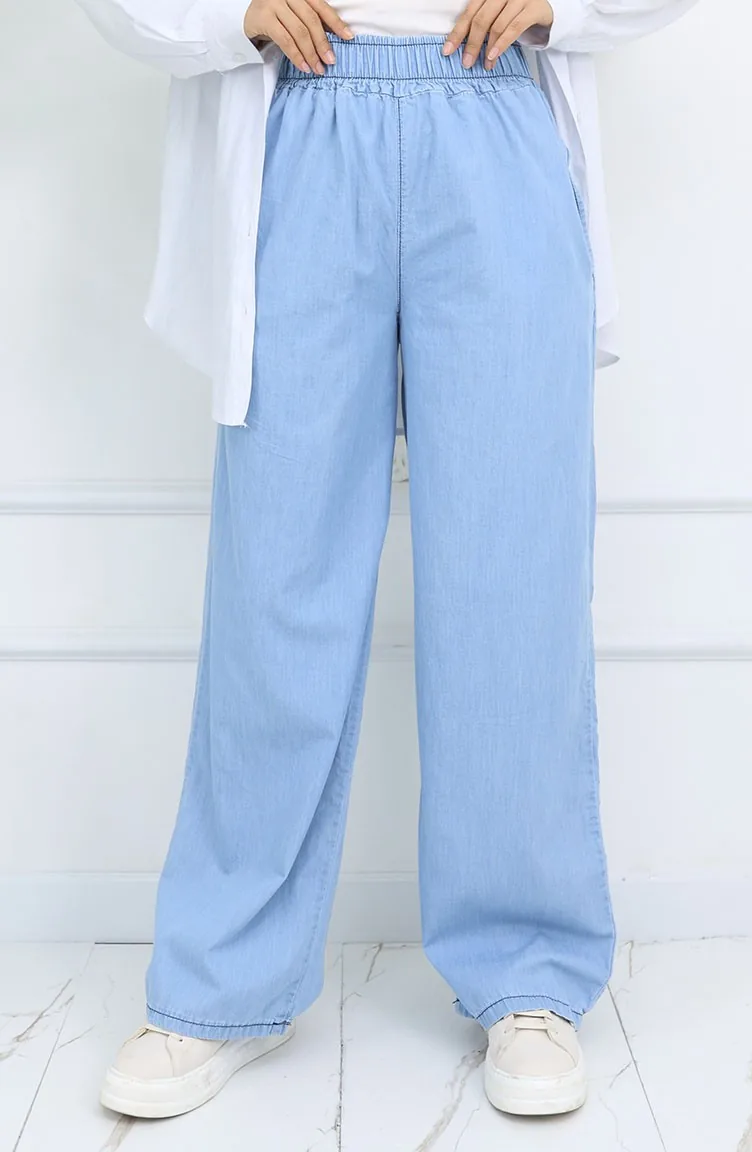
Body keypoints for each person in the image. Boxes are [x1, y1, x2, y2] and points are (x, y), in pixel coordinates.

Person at [76, 0, 697, 1123]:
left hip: (496, 116)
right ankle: (220, 983)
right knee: (275, 580)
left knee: (513, 579)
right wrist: (223, 17)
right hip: (304, 116)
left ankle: (526, 972)